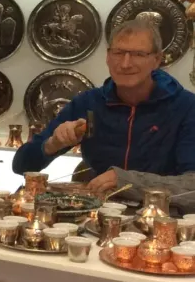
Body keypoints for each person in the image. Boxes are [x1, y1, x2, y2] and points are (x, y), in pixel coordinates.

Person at [12, 18, 195, 194]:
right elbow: (20, 165)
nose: (125, 64)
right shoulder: (88, 103)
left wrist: (127, 181)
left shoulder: (186, 107)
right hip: (97, 211)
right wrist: (51, 145)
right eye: (118, 53)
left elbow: (191, 186)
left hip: (162, 212)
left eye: (138, 54)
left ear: (157, 60)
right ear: (107, 57)